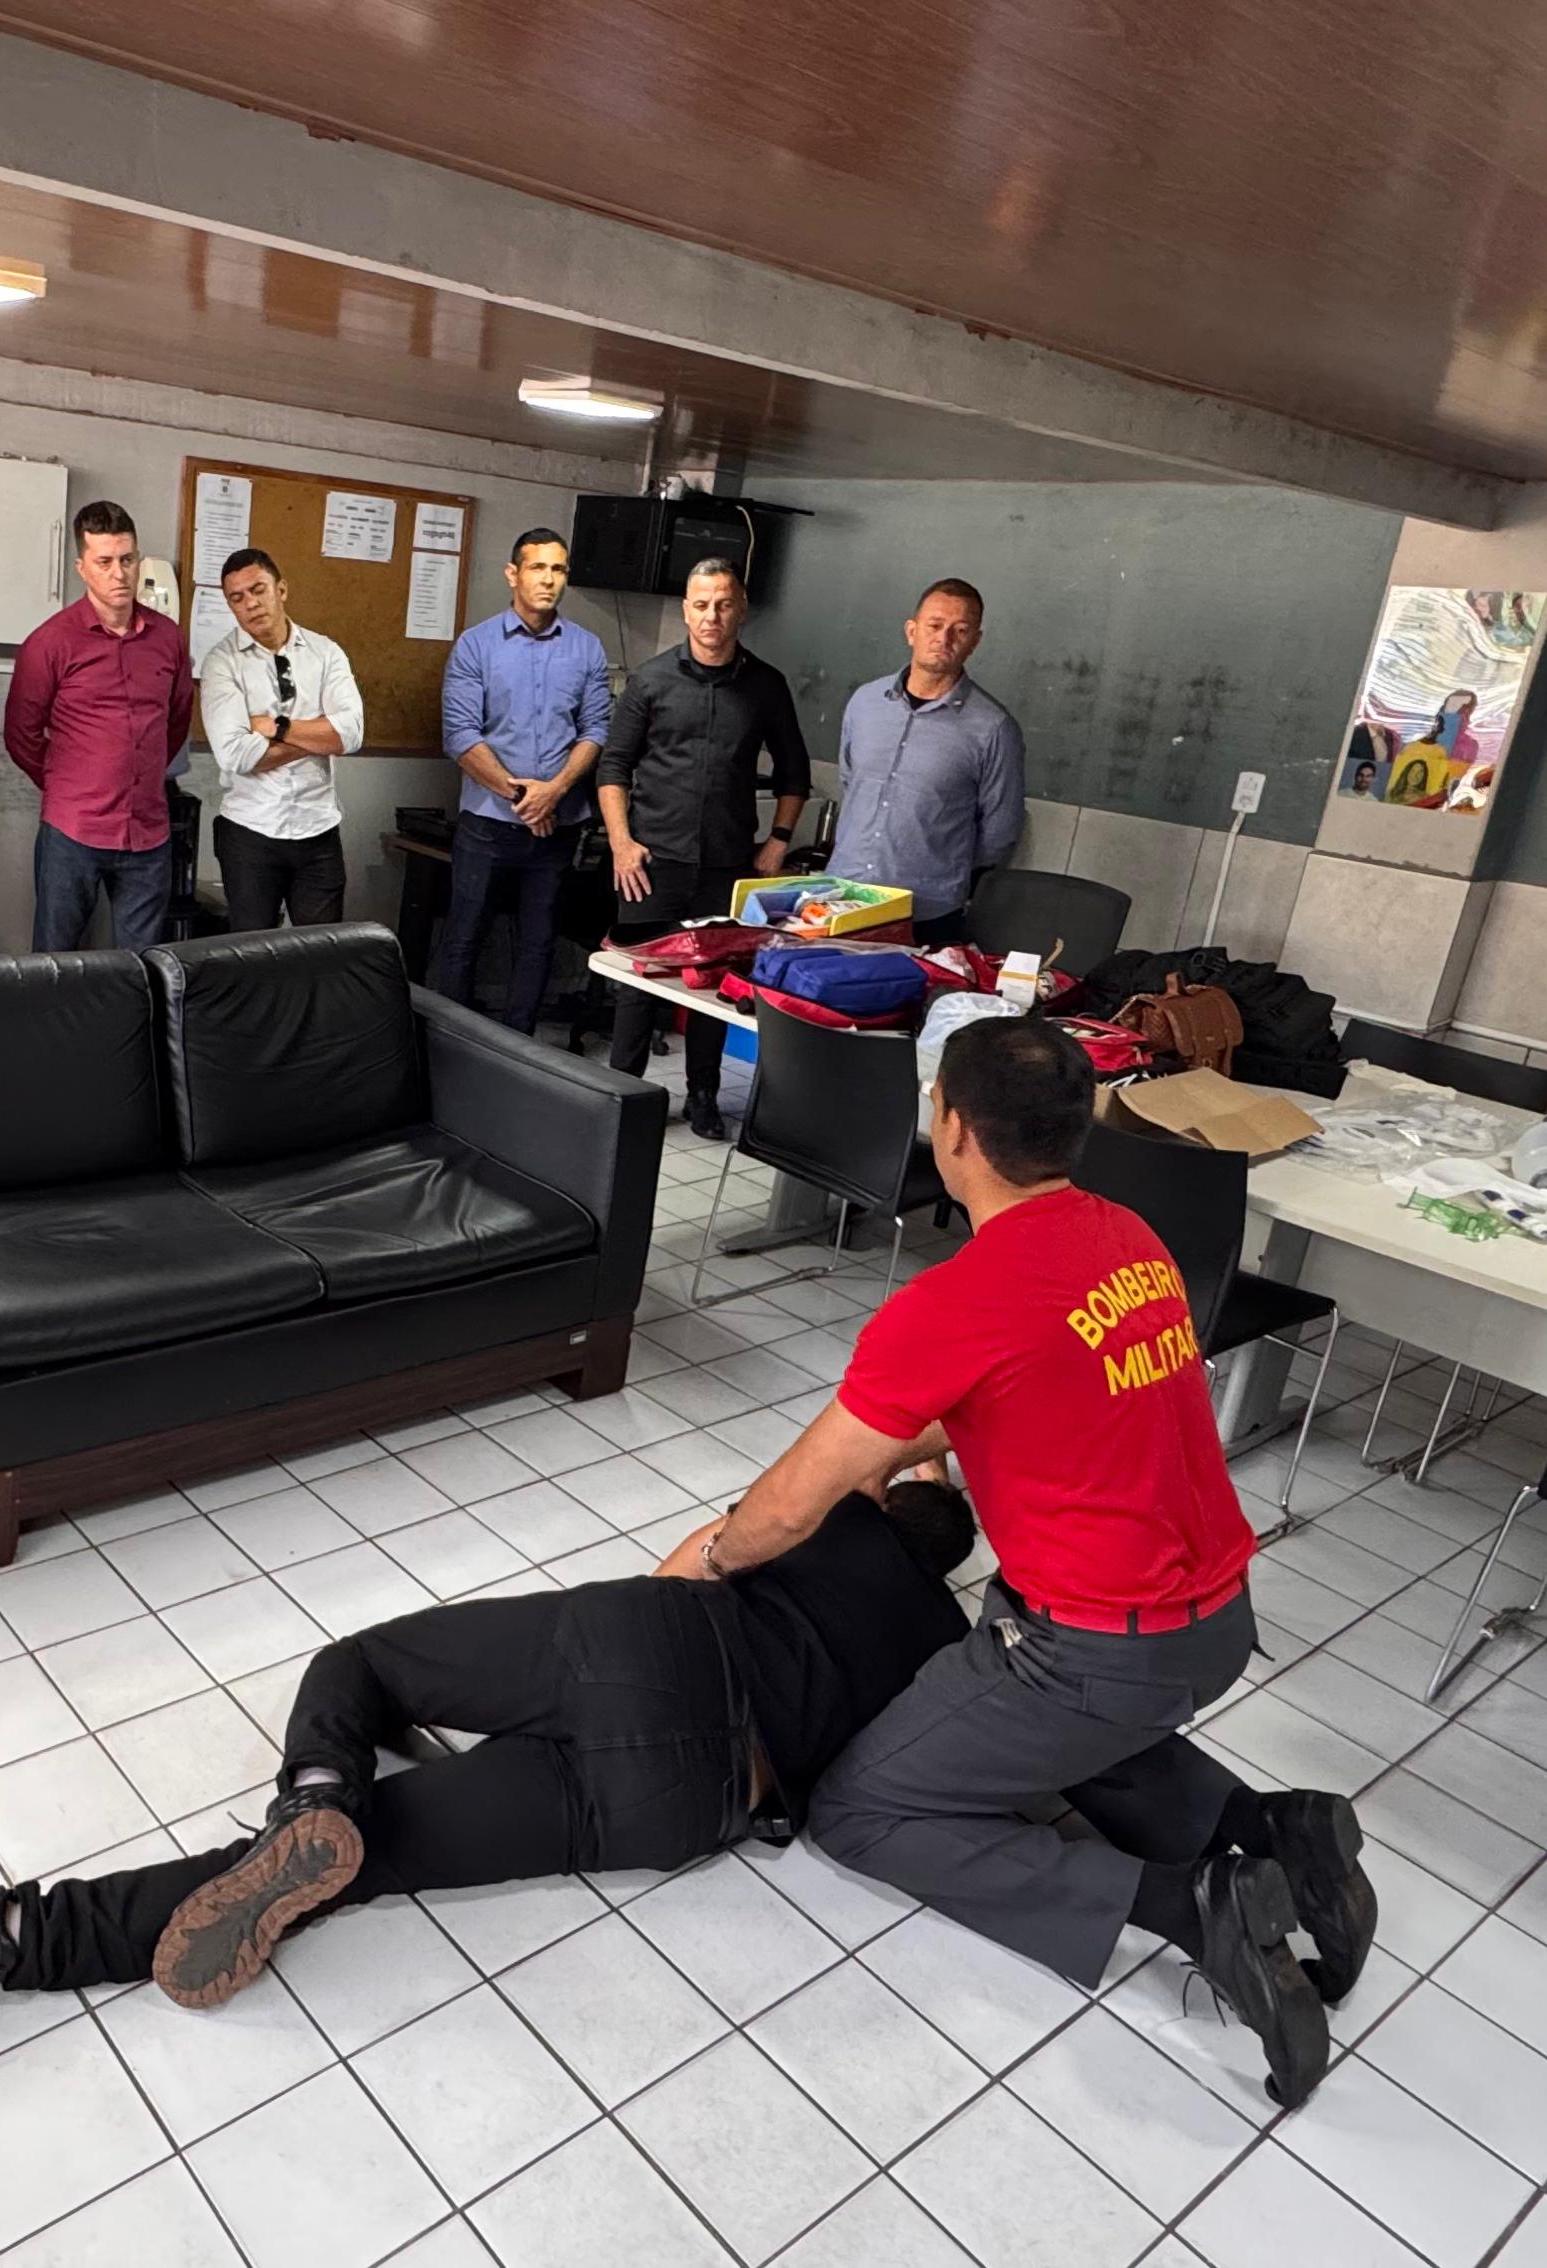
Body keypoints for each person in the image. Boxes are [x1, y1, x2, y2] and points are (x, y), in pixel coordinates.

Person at [671, 1017, 1375, 2108]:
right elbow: (1038, 1388)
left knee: (861, 1810)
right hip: (1217, 1620)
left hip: (1094, 1649)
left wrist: (714, 1557)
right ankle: (1275, 1828)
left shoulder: (951, 1303)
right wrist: (900, 1444)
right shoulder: (1126, 1238)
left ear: (951, 1128)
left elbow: (796, 1497)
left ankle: (1192, 1907)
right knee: (1051, 1738)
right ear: (1075, 1125)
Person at [0, 1480, 979, 2017]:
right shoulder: (943, 1644)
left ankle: (315, 1798)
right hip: (696, 1799)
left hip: (657, 1648)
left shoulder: (845, 1512)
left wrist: (893, 1473)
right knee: (366, 1862)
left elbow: (723, 1541)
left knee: (362, 1667)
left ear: (898, 1502)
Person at [596, 556, 812, 1140]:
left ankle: (703, 1096)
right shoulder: (650, 680)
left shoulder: (766, 686)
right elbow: (613, 767)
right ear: (686, 610)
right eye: (700, 604)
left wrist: (778, 842)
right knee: (637, 986)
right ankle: (622, 1098)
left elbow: (794, 772)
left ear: (741, 610)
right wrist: (621, 843)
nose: (711, 616)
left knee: (712, 986)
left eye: (723, 604)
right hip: (649, 863)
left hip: (727, 864)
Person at [430, 530, 610, 1031]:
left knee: (539, 941)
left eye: (558, 569)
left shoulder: (587, 649)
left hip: (557, 828)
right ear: (513, 574)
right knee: (464, 936)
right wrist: (524, 797)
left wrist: (554, 792)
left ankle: (520, 1046)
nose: (548, 579)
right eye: (537, 567)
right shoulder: (476, 645)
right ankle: (453, 1044)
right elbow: (460, 735)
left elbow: (596, 730)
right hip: (488, 823)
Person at [5, 500, 197, 952]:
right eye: (104, 562)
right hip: (73, 831)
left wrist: (143, 773)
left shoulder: (168, 638)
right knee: (56, 960)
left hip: (148, 831)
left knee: (144, 965)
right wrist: (66, 785)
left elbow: (176, 720)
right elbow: (21, 735)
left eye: (127, 559)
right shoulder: (50, 643)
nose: (119, 574)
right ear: (82, 568)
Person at [826, 578, 1023, 946]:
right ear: (911, 631)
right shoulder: (865, 703)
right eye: (934, 625)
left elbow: (999, 833)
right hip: (840, 897)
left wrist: (938, 870)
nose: (943, 639)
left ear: (975, 641)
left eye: (959, 630)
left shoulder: (994, 728)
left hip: (925, 914)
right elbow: (852, 782)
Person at [197, 547, 365, 930]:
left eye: (258, 590)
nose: (250, 604)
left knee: (320, 950)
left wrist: (278, 727)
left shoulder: (326, 653)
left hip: (318, 829)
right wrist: (318, 735)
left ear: (281, 590)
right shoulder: (222, 663)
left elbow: (351, 733)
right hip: (250, 832)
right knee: (253, 954)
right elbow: (236, 755)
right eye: (237, 598)